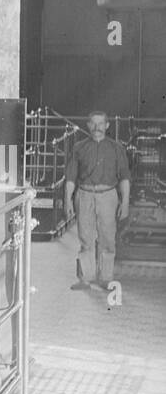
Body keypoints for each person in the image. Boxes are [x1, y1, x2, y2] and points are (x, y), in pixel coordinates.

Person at [64, 111, 131, 291]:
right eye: (93, 124)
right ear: (87, 125)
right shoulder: (79, 147)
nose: (97, 128)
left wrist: (124, 202)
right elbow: (71, 176)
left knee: (107, 239)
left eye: (100, 124)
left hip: (108, 195)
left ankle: (106, 278)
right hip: (84, 195)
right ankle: (85, 278)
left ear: (107, 126)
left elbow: (124, 177)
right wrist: (67, 200)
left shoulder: (117, 149)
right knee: (85, 238)